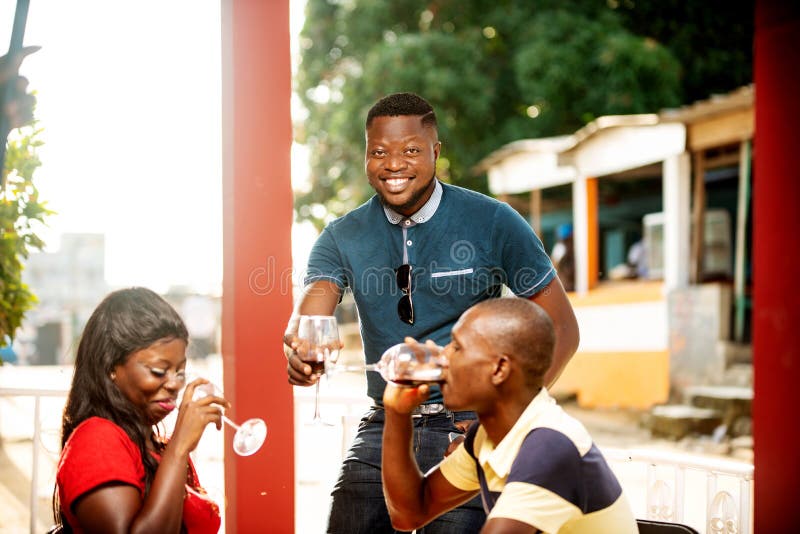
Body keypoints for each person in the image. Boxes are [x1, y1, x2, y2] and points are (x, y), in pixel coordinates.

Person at [284, 92, 579, 533]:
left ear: (435, 153)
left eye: (411, 151)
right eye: (379, 152)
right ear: (365, 156)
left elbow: (564, 329)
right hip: (387, 421)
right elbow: (314, 304)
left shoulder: (494, 221)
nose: (394, 164)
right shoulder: (341, 235)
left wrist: (507, 417)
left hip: (470, 424)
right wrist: (300, 342)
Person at [382, 298, 637, 533]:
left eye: (457, 347)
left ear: (500, 369)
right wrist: (397, 413)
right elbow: (410, 513)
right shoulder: (486, 438)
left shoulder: (549, 447)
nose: (442, 356)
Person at [53, 287, 226, 533]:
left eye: (179, 371)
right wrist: (179, 448)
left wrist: (175, 450)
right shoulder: (96, 439)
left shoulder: (158, 446)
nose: (175, 384)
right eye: (158, 371)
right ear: (111, 366)